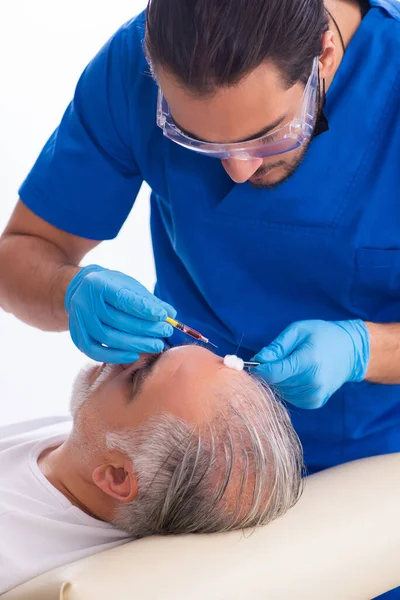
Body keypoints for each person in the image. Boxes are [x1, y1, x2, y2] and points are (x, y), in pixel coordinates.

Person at [0, 0, 399, 531]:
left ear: (323, 57)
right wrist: (66, 291)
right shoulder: (134, 67)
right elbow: (23, 252)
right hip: (184, 488)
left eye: (270, 135)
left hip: (376, 475)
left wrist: (365, 350)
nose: (238, 169)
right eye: (200, 142)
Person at [0, 345, 303, 594]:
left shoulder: (11, 554)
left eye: (137, 377)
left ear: (117, 477)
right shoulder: (89, 444)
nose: (132, 350)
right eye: (164, 346)